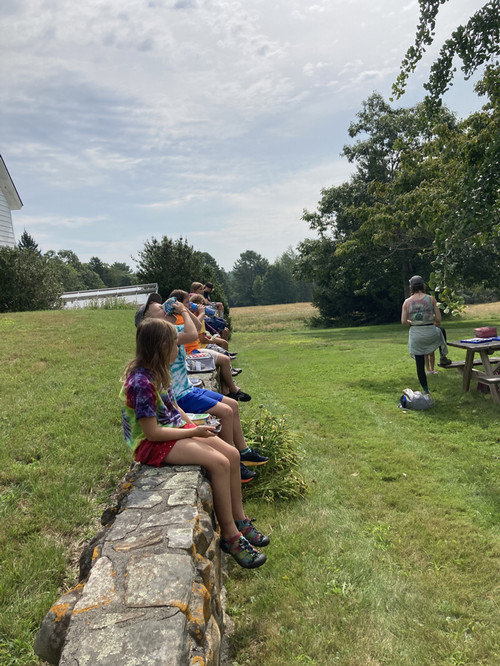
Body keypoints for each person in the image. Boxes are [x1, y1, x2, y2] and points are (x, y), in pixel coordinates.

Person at [120, 318, 269, 568]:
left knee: (231, 455)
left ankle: (240, 519)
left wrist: (193, 426)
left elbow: (175, 406)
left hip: (174, 430)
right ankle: (231, 536)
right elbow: (152, 433)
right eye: (174, 344)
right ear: (161, 346)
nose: (179, 349)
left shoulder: (157, 372)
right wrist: (191, 433)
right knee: (219, 463)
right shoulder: (141, 383)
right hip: (153, 444)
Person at [135, 293, 268, 483]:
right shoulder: (163, 337)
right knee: (225, 412)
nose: (164, 307)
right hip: (180, 394)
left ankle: (243, 452)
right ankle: (234, 462)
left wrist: (184, 311)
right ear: (148, 322)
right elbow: (191, 335)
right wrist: (183, 310)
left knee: (233, 406)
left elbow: (196, 328)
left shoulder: (172, 328)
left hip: (187, 388)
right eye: (158, 309)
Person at [401, 275, 452, 394]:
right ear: (423, 285)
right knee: (442, 330)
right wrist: (430, 319)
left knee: (420, 366)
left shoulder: (406, 302)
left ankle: (426, 391)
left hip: (416, 335)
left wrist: (412, 322)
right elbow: (439, 319)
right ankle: (442, 355)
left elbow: (403, 322)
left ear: (411, 287)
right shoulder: (431, 299)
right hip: (431, 332)